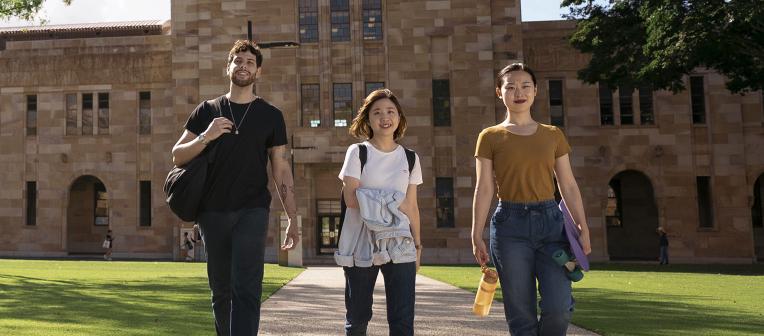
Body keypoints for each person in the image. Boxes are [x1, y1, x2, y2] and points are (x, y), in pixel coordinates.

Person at [170, 39, 299, 336]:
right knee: (221, 289)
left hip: (252, 210)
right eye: (238, 61)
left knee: (247, 286)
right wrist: (206, 136)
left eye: (250, 63)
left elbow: (280, 168)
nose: (243, 66)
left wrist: (292, 216)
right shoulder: (207, 110)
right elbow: (177, 155)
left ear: (259, 72)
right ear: (227, 67)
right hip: (212, 211)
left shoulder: (271, 115)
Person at [471, 63, 592, 336]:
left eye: (525, 86)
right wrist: (476, 233)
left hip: (551, 225)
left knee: (559, 306)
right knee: (521, 314)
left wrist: (582, 226)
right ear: (499, 93)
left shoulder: (553, 135)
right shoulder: (489, 137)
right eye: (510, 87)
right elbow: (484, 188)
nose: (518, 92)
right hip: (508, 227)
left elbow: (568, 185)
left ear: (536, 91)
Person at [335, 89, 422, 336]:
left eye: (390, 111)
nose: (385, 117)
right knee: (358, 316)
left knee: (403, 318)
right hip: (362, 237)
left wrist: (418, 245)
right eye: (377, 112)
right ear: (368, 120)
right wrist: (395, 200)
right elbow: (351, 199)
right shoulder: (357, 152)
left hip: (400, 240)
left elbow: (412, 207)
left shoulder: (410, 158)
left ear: (399, 117)